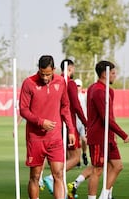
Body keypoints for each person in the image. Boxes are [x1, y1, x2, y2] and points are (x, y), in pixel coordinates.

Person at [19, 55, 76, 199]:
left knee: (58, 174)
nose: (45, 77)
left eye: (48, 74)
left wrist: (71, 129)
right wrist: (40, 122)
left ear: (54, 70)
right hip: (35, 139)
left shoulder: (61, 82)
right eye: (42, 73)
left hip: (55, 138)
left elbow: (65, 107)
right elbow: (23, 110)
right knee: (35, 177)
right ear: (38, 69)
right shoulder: (29, 83)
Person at [43, 59, 87, 197]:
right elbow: (75, 105)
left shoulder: (53, 80)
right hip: (67, 125)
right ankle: (51, 178)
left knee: (60, 157)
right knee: (75, 157)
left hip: (53, 124)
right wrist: (86, 122)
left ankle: (60, 188)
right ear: (71, 68)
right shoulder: (70, 83)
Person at [86, 61, 129, 199]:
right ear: (105, 74)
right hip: (98, 136)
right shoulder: (98, 90)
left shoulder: (108, 91)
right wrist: (123, 134)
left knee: (117, 166)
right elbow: (105, 117)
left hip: (108, 135)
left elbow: (110, 115)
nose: (115, 76)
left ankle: (104, 196)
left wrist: (113, 134)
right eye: (112, 73)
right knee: (97, 170)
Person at [74, 78, 88, 166]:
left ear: (81, 86)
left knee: (84, 140)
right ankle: (77, 158)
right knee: (76, 142)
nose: (77, 87)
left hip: (83, 122)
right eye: (76, 85)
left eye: (78, 86)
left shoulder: (84, 96)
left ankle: (84, 154)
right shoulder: (71, 96)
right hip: (74, 122)